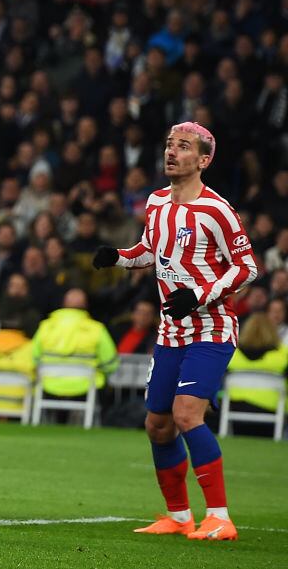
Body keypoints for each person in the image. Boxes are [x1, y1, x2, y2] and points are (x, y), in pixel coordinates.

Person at [94, 122, 258, 541]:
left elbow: (247, 267)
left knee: (186, 414)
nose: (171, 152)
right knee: (158, 425)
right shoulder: (156, 202)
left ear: (203, 160)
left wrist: (200, 296)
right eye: (169, 144)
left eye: (183, 146)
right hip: (171, 331)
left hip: (211, 327)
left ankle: (219, 517)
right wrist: (118, 258)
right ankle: (179, 516)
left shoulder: (217, 210)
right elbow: (151, 251)